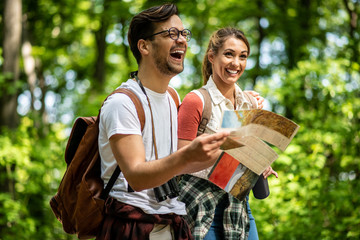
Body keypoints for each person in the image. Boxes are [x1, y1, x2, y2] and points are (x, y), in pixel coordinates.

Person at [96, 4, 230, 240]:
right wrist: (187, 155)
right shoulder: (122, 103)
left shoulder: (171, 97)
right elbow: (136, 176)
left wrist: (217, 153)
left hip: (171, 224)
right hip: (131, 226)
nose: (182, 41)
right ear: (144, 46)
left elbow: (174, 166)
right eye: (171, 34)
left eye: (183, 33)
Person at [177, 27, 278, 240]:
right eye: (229, 54)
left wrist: (260, 160)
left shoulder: (249, 102)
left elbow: (249, 149)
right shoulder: (196, 101)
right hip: (202, 206)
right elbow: (179, 161)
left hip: (240, 206)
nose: (236, 63)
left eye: (243, 56)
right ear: (212, 57)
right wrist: (227, 150)